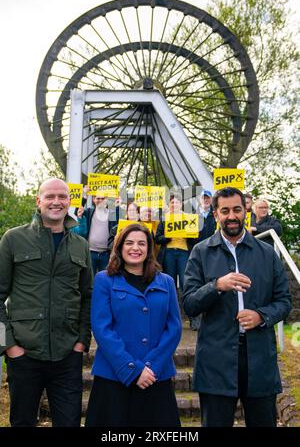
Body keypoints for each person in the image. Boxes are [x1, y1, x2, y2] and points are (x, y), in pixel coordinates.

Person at [183, 187, 291, 427]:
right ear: (215, 214)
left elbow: (284, 301)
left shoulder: (266, 253)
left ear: (246, 212)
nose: (231, 216)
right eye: (225, 211)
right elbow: (189, 304)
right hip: (216, 358)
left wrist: (261, 316)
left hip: (259, 357)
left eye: (237, 210)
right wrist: (217, 285)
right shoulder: (200, 252)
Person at [0, 178, 93, 427]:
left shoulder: (81, 246)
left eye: (62, 197)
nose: (56, 201)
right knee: (22, 422)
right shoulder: (13, 240)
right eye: (50, 196)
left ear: (69, 202)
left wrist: (81, 342)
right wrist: (9, 346)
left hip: (66, 355)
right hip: (24, 354)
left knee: (70, 422)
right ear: (38, 201)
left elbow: (87, 297)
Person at [85, 223, 182, 427]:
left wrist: (149, 367)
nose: (135, 248)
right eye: (129, 243)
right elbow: (102, 328)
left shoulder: (166, 282)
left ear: (149, 249)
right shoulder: (105, 280)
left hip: (155, 377)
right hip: (113, 377)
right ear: (119, 247)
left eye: (141, 243)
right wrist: (133, 369)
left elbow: (173, 328)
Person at [155, 194, 195, 293]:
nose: (174, 204)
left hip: (184, 252)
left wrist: (189, 235)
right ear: (169, 204)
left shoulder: (188, 218)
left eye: (176, 202)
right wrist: (167, 237)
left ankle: (185, 303)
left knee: (184, 280)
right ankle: (171, 302)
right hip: (169, 252)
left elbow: (194, 239)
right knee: (170, 280)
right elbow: (157, 238)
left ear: (181, 204)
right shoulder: (164, 218)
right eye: (172, 202)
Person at [76, 190, 119, 275]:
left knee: (107, 277)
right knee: (89, 278)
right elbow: (77, 210)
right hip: (90, 252)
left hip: (106, 254)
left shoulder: (111, 213)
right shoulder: (89, 212)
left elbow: (119, 221)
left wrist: (118, 206)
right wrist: (84, 195)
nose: (100, 200)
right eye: (97, 198)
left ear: (106, 200)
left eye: (102, 198)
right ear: (93, 199)